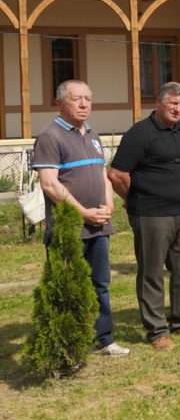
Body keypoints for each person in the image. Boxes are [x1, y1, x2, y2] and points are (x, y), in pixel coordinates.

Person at [32, 80, 128, 356]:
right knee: (68, 286)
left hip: (99, 224)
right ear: (60, 102)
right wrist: (83, 213)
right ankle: (70, 342)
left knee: (100, 284)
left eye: (88, 98)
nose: (84, 104)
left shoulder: (92, 134)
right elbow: (50, 184)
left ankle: (103, 340)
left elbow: (102, 174)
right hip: (69, 227)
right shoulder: (50, 136)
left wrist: (108, 204)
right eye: (77, 99)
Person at [109, 82, 180, 348]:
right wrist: (135, 199)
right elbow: (117, 175)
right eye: (173, 103)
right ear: (159, 102)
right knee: (152, 273)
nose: (178, 109)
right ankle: (156, 331)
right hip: (152, 215)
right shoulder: (139, 134)